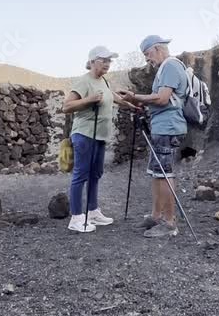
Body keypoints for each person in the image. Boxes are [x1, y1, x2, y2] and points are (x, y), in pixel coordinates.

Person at [61, 46, 139, 233]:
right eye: (103, 60)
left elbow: (111, 96)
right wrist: (88, 100)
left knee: (95, 173)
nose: (107, 64)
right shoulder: (84, 81)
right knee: (81, 174)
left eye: (109, 61)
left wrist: (129, 105)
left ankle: (93, 211)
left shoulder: (104, 80)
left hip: (100, 135)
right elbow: (66, 106)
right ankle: (76, 218)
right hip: (84, 134)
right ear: (92, 61)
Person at [117, 35, 188, 238]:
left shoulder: (171, 66)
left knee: (165, 174)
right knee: (157, 173)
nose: (147, 59)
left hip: (168, 128)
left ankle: (169, 223)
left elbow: (163, 99)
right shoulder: (165, 68)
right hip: (161, 127)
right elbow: (160, 99)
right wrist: (140, 102)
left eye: (148, 54)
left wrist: (135, 97)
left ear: (158, 48)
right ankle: (156, 216)